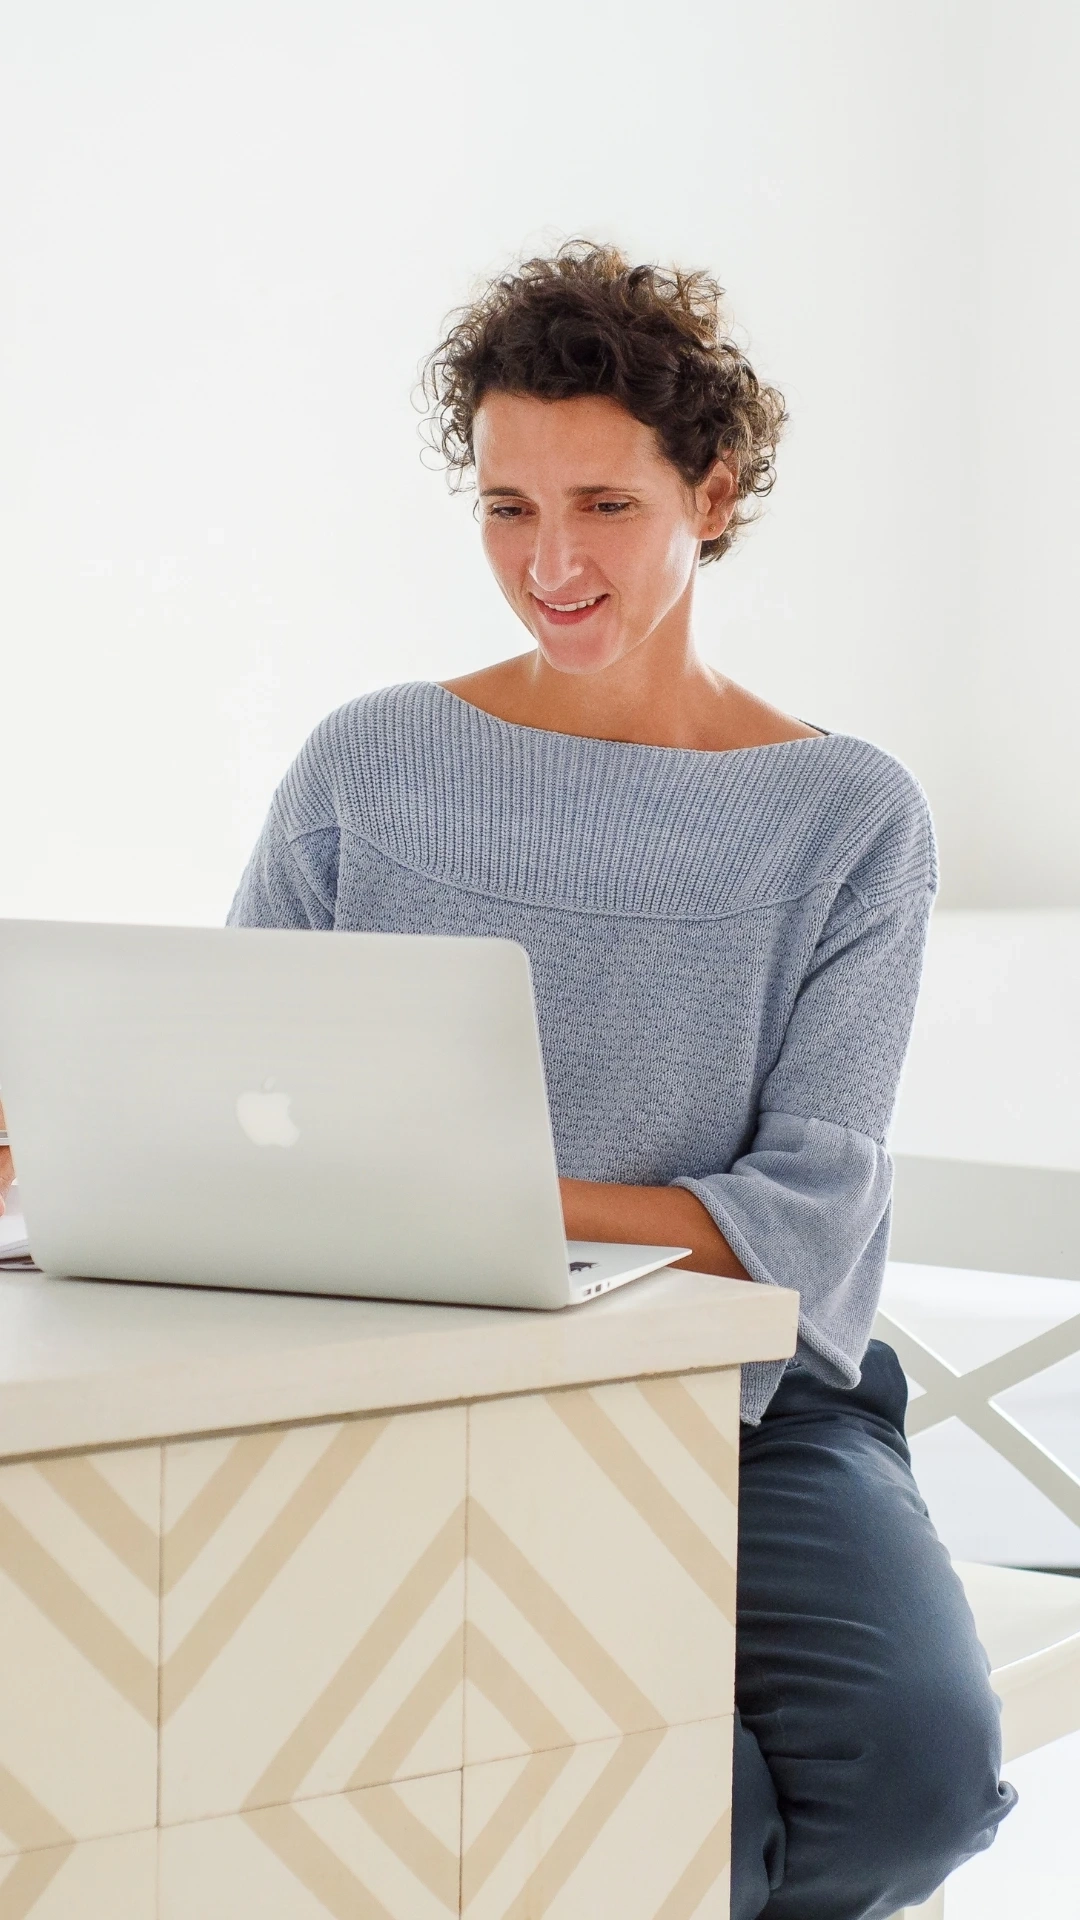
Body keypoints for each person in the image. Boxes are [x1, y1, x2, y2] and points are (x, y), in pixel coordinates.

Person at [229, 241, 1016, 1916]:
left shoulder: (846, 817)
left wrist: (468, 1196)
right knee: (648, 1809)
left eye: (603, 506)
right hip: (420, 1386)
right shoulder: (371, 766)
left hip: (748, 1410)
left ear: (711, 494)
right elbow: (237, 1076)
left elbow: (800, 1220)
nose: (550, 563)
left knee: (922, 1794)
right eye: (508, 509)